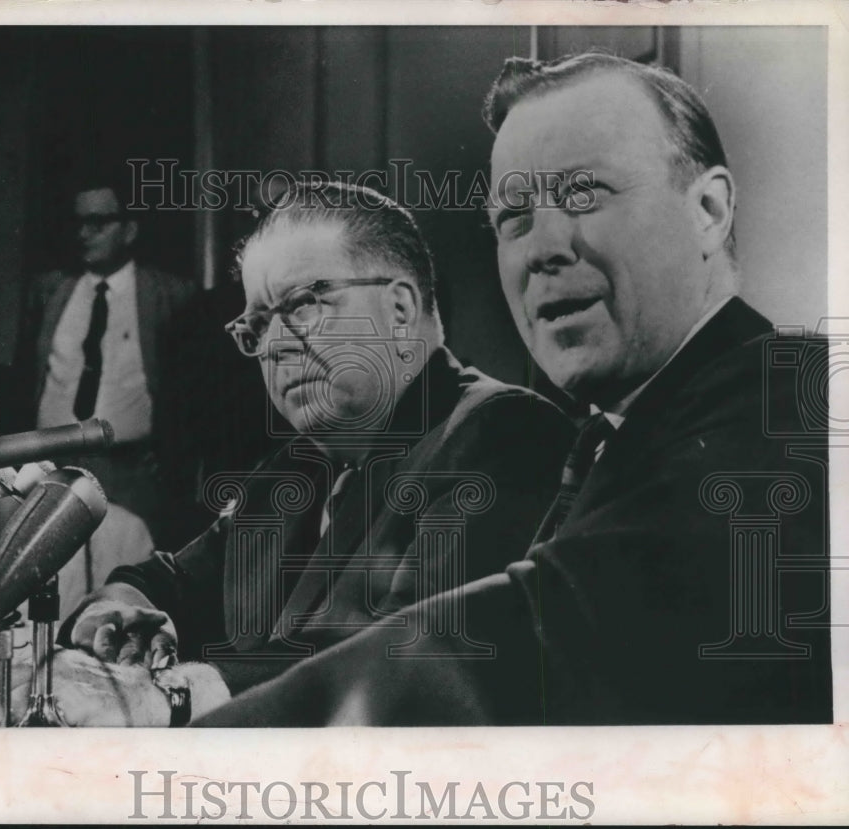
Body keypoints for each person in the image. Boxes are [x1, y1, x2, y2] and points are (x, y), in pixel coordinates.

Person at [193, 53, 832, 726]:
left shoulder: (787, 395)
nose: (542, 247)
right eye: (514, 217)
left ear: (708, 209)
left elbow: (528, 639)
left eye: (584, 193)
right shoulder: (619, 435)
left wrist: (188, 707)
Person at [58, 181, 573, 721]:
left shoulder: (505, 433)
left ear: (400, 309)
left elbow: (403, 653)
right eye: (257, 325)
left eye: (303, 305)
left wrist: (174, 694)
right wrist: (120, 611)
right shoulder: (292, 470)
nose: (275, 344)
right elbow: (166, 579)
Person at [10, 173, 200, 548]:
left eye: (97, 223)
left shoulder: (169, 295)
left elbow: (191, 390)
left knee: (129, 572)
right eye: (78, 223)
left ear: (129, 230)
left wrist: (172, 459)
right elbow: (25, 378)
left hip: (131, 474)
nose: (84, 234)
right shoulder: (50, 291)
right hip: (52, 466)